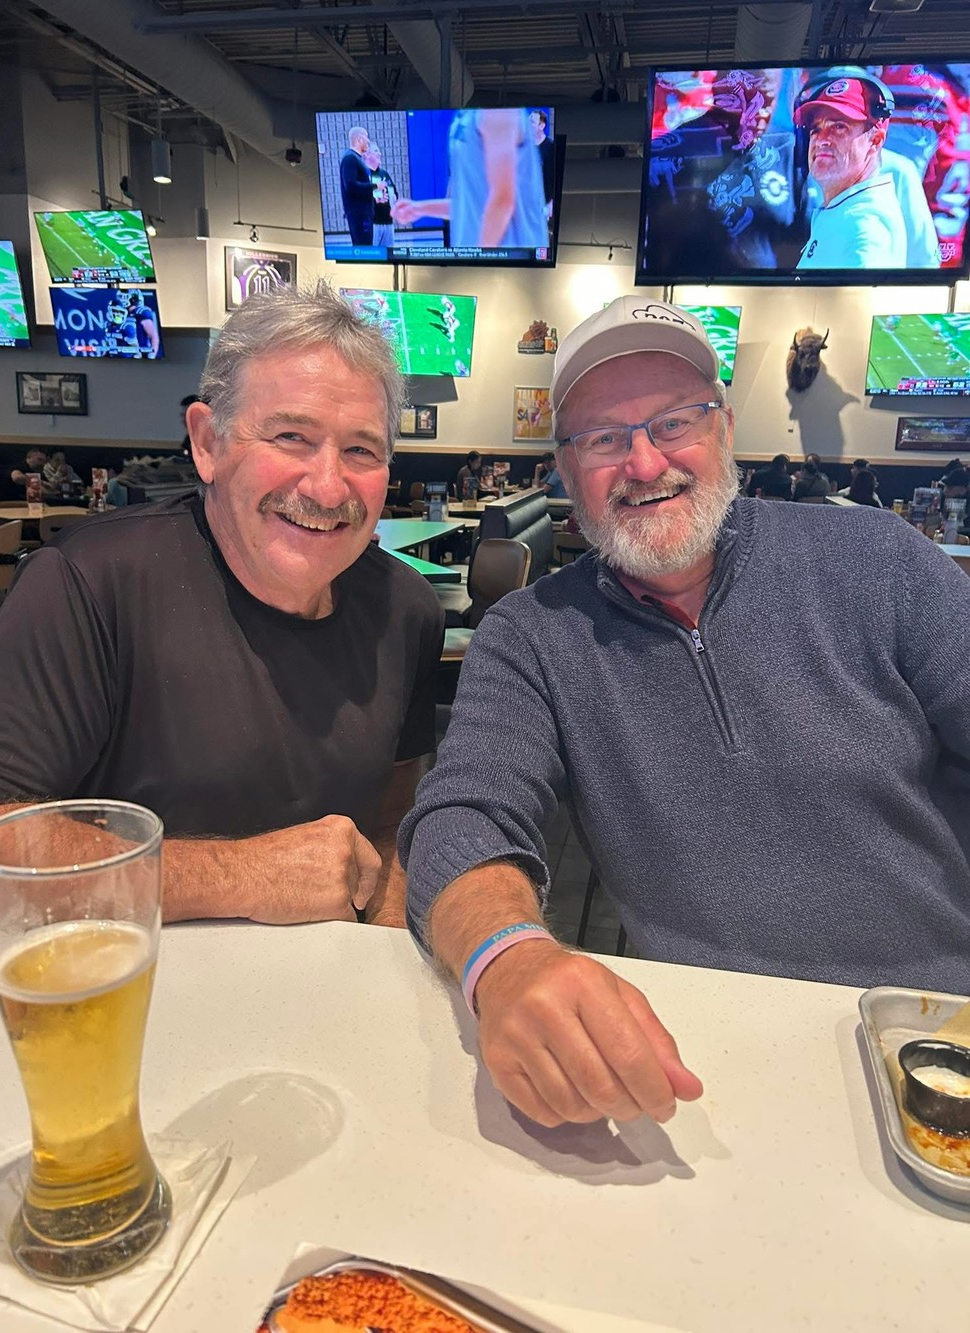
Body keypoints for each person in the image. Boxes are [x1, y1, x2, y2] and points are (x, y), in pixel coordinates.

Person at [398, 296, 970, 1132]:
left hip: (940, 1023)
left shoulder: (881, 561)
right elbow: (461, 817)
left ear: (724, 430)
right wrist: (508, 956)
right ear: (565, 471)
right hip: (703, 1059)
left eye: (673, 422)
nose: (643, 462)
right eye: (603, 438)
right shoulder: (531, 635)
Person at [0, 282, 444, 927]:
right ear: (208, 443)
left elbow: (391, 817)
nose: (329, 488)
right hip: (132, 975)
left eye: (361, 449)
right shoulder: (86, 584)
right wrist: (240, 876)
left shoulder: (406, 610)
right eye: (290, 436)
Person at [794, 73, 908, 270]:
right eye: (815, 129)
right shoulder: (846, 208)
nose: (821, 140)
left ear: (875, 141)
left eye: (839, 127)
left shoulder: (866, 227)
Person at [393, 109, 548, 252]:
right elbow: (472, 206)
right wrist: (419, 209)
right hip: (481, 260)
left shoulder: (497, 113)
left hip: (511, 259)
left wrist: (478, 260)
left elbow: (502, 201)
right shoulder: (464, 118)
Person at [339, 126, 375, 247]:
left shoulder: (357, 158)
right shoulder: (350, 158)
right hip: (359, 215)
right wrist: (374, 186)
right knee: (364, 248)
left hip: (364, 214)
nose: (368, 141)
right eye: (366, 137)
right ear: (359, 139)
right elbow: (350, 185)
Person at [363, 142, 398, 249]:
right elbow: (360, 196)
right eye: (376, 151)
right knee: (372, 254)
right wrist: (376, 200)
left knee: (389, 253)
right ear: (367, 154)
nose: (380, 153)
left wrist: (394, 198)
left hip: (388, 223)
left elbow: (394, 191)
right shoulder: (362, 174)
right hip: (372, 224)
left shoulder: (384, 174)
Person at [529, 109, 556, 221]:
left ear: (542, 126)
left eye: (532, 122)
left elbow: (554, 178)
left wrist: (551, 203)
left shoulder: (551, 147)